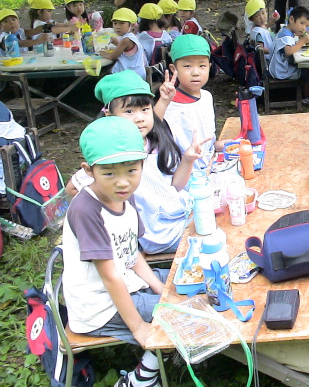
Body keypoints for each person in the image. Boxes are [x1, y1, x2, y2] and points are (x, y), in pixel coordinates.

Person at [62, 115, 167, 387]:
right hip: (99, 306)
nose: (123, 182)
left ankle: (163, 345)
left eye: (131, 171)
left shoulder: (123, 197)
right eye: (109, 173)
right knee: (179, 315)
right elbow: (110, 277)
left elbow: (132, 254)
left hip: (126, 282)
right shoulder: (87, 210)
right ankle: (141, 377)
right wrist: (138, 327)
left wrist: (160, 287)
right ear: (89, 170)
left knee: (182, 283)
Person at [66, 70, 203, 255]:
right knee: (213, 234)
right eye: (129, 111)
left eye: (145, 109)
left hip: (179, 214)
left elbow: (175, 186)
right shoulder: (113, 157)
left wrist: (187, 160)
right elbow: (72, 189)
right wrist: (108, 219)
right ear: (109, 114)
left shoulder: (152, 141)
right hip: (159, 233)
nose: (139, 118)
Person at [163, 35, 233, 171]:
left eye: (202, 65)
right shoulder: (170, 106)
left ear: (209, 67)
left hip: (212, 166)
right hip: (187, 177)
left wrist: (215, 145)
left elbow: (205, 133)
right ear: (174, 69)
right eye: (187, 66)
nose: (196, 72)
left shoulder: (207, 97)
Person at [267, 5, 309, 105]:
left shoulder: (285, 30)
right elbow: (288, 51)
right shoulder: (286, 34)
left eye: (306, 26)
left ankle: (308, 91)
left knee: (306, 68)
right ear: (292, 19)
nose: (303, 28)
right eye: (302, 23)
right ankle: (306, 98)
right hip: (281, 70)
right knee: (308, 73)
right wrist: (302, 41)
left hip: (277, 66)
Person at [99, 8, 146, 79]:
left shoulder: (126, 40)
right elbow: (128, 50)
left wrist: (101, 53)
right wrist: (117, 43)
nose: (118, 27)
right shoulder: (131, 36)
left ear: (132, 25)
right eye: (115, 23)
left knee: (101, 76)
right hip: (137, 73)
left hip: (130, 76)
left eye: (122, 23)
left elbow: (113, 56)